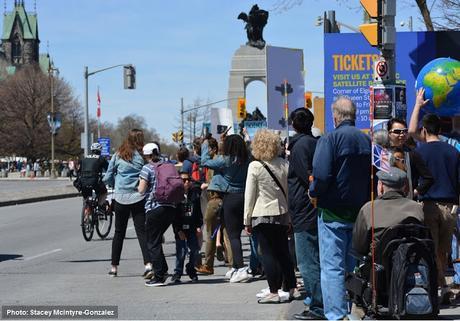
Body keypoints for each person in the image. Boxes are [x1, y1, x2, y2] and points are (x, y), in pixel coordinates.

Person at [309, 97, 371, 320]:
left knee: (332, 267)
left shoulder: (330, 139)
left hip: (332, 211)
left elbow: (321, 175)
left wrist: (313, 191)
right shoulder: (366, 140)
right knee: (353, 266)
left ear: (335, 117)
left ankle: (336, 315)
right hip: (358, 212)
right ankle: (355, 311)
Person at [408, 93, 460, 302]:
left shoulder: (420, 151)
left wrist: (418, 105)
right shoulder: (453, 152)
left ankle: (435, 288)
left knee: (429, 248)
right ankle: (443, 287)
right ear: (440, 130)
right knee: (443, 251)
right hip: (450, 207)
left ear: (424, 130)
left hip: (428, 205)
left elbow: (410, 131)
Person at [244, 129, 299, 303]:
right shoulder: (284, 164)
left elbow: (250, 195)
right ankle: (292, 287)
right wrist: (290, 216)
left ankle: (273, 291)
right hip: (282, 213)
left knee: (267, 253)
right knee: (283, 252)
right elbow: (289, 193)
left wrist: (247, 219)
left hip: (262, 214)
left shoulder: (255, 166)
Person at [286, 108, 324, 320]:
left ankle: (317, 307)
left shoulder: (300, 146)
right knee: (315, 259)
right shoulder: (314, 143)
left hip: (304, 210)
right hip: (310, 209)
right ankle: (318, 302)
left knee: (307, 261)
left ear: (293, 123)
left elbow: (308, 177)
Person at [201, 134, 250, 283]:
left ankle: (240, 268)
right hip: (244, 196)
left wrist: (204, 145)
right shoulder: (248, 160)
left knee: (233, 235)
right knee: (237, 233)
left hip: (230, 197)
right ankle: (235, 267)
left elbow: (204, 162)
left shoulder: (225, 160)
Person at [103, 129, 150, 277]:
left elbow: (108, 176)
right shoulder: (142, 156)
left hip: (121, 197)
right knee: (141, 232)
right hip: (138, 196)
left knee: (118, 233)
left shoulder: (118, 154)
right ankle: (148, 264)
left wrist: (115, 185)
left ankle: (114, 267)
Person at [352, 167, 424, 256]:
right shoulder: (417, 207)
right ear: (404, 187)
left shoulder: (368, 208)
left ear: (381, 186)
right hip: (411, 261)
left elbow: (359, 246)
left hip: (379, 264)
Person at [139, 142, 180, 287]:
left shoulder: (147, 168)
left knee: (152, 242)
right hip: (170, 207)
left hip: (154, 208)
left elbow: (142, 189)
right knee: (155, 239)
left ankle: (159, 276)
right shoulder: (169, 165)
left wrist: (138, 187)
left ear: (148, 155)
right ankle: (163, 270)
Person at [387, 117, 433, 199]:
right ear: (389, 133)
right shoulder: (382, 153)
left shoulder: (413, 154)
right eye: (397, 132)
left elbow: (428, 178)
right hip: (386, 200)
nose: (401, 134)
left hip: (407, 202)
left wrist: (413, 193)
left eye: (404, 131)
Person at [170, 171, 202, 283]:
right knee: (181, 251)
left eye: (188, 180)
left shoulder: (194, 194)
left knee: (194, 250)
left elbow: (198, 212)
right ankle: (177, 273)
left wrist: (199, 226)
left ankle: (191, 269)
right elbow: (173, 216)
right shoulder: (176, 196)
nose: (187, 182)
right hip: (180, 228)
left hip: (192, 227)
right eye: (184, 180)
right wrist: (178, 230)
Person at [78, 142, 109, 209]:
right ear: (100, 151)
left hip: (83, 181)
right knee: (104, 192)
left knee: (86, 195)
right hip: (95, 181)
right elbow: (109, 170)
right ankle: (100, 206)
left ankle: (86, 207)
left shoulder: (84, 158)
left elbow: (79, 171)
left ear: (91, 150)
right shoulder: (101, 158)